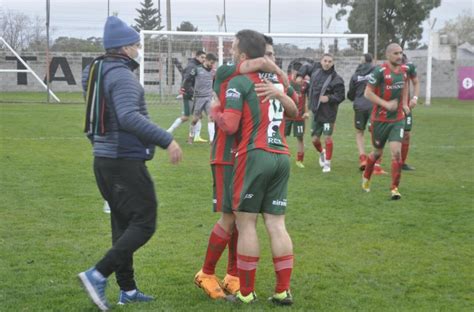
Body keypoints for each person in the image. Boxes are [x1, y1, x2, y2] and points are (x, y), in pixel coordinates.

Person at [78, 16, 182, 311]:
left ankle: (128, 289)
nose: (138, 49)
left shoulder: (96, 72)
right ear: (124, 48)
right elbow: (128, 116)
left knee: (123, 224)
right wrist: (166, 139)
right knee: (145, 222)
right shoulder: (121, 76)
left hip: (105, 159)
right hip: (123, 161)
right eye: (136, 45)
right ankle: (97, 274)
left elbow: (95, 119)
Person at [194, 35, 290, 300]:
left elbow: (291, 105)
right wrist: (274, 69)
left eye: (272, 55)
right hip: (227, 154)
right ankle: (206, 273)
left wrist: (278, 78)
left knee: (242, 219)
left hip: (251, 155)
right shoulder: (227, 71)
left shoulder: (267, 81)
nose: (269, 61)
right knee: (232, 217)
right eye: (265, 55)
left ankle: (233, 275)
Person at [362, 43, 410, 200]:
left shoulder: (404, 71)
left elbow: (404, 88)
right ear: (388, 55)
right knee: (377, 153)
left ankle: (394, 189)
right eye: (396, 53)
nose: (399, 56)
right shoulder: (379, 71)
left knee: (396, 154)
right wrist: (386, 104)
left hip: (397, 119)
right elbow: (367, 93)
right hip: (380, 120)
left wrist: (403, 104)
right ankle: (367, 178)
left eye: (401, 53)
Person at [296, 53, 345, 173]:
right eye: (325, 61)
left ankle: (327, 163)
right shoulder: (315, 70)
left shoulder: (336, 79)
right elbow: (306, 67)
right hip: (316, 112)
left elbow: (341, 96)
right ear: (321, 61)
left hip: (328, 113)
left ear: (333, 63)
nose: (327, 63)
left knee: (327, 137)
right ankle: (322, 152)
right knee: (314, 140)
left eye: (329, 61)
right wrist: (300, 75)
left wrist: (329, 98)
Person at [167, 50, 206, 139]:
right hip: (189, 94)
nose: (204, 59)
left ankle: (196, 136)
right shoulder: (192, 66)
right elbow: (187, 81)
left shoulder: (197, 66)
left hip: (194, 94)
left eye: (204, 58)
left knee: (199, 115)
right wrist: (190, 92)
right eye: (202, 57)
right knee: (186, 117)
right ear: (197, 57)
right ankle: (169, 131)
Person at [347, 53, 375, 171]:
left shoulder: (355, 75)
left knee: (359, 132)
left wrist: (356, 97)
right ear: (372, 61)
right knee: (375, 132)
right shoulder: (377, 72)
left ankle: (362, 158)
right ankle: (375, 161)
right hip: (373, 105)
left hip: (359, 106)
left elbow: (351, 94)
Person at [186, 53, 217, 144]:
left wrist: (214, 92)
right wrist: (191, 92)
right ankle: (191, 136)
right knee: (195, 119)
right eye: (211, 63)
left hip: (209, 97)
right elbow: (188, 81)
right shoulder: (196, 69)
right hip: (198, 97)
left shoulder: (213, 71)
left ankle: (212, 140)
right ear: (206, 60)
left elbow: (215, 83)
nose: (212, 65)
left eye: (213, 63)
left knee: (211, 117)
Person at [285, 62, 309, 168]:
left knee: (300, 138)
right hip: (286, 115)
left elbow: (306, 99)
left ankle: (299, 160)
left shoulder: (305, 84)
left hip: (299, 116)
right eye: (296, 72)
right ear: (292, 72)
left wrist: (306, 112)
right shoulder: (286, 81)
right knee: (282, 136)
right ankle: (283, 157)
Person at [400, 53, 420, 170]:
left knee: (406, 134)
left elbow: (415, 82)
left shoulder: (409, 67)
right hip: (390, 107)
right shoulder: (385, 69)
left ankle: (402, 163)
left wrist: (415, 98)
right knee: (384, 134)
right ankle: (376, 164)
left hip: (406, 106)